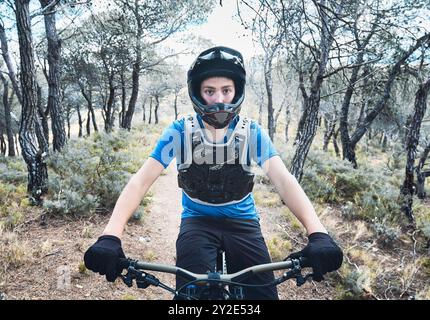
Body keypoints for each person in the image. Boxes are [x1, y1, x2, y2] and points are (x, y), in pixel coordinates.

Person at [83, 46, 343, 300]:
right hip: (197, 221)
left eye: (226, 90)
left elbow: (284, 180)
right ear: (198, 93)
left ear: (236, 91)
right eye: (210, 91)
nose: (219, 99)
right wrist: (111, 235)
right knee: (191, 295)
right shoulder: (179, 131)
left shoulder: (251, 132)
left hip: (244, 223)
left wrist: (317, 232)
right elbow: (140, 181)